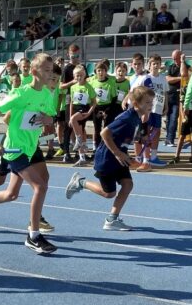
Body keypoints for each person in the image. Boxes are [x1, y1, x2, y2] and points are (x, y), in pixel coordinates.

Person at [0, 53, 58, 254]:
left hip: (32, 148)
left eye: (52, 70)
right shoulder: (20, 93)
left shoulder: (47, 94)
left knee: (11, 194)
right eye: (47, 70)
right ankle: (33, 235)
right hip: (15, 149)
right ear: (34, 72)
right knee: (39, 187)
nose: (50, 74)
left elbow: (50, 115)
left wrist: (49, 120)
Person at [65, 86, 155, 231]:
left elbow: (130, 135)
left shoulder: (137, 118)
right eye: (147, 103)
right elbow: (104, 133)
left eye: (152, 102)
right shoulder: (127, 117)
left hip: (120, 157)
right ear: (137, 104)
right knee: (109, 193)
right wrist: (118, 153)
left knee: (127, 184)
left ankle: (112, 219)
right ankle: (80, 182)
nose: (151, 105)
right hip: (107, 158)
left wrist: (142, 139)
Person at [68, 64, 96, 167]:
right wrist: (71, 115)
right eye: (76, 75)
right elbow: (71, 101)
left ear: (84, 75)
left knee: (78, 134)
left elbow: (94, 102)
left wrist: (89, 112)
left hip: (83, 109)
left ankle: (79, 140)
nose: (79, 77)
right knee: (79, 130)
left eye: (80, 75)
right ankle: (82, 157)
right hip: (75, 108)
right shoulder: (73, 87)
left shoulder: (88, 87)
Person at [164, 50, 183, 149]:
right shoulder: (170, 67)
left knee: (173, 118)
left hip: (178, 97)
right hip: (169, 96)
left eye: (176, 58)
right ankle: (167, 138)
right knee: (168, 118)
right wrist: (179, 78)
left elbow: (186, 77)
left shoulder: (185, 67)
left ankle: (170, 138)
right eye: (173, 58)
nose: (174, 60)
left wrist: (174, 78)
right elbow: (167, 79)